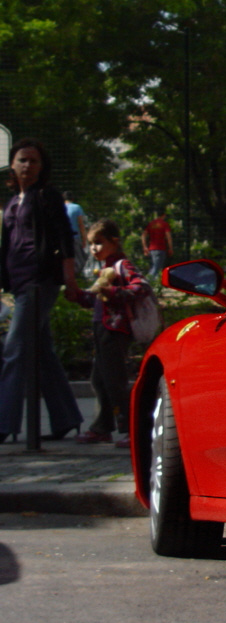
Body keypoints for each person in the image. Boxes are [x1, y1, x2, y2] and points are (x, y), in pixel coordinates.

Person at [0, 139, 84, 443]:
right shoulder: (12, 201)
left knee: (14, 350)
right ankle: (67, 419)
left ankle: (4, 424)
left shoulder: (47, 196)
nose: (28, 166)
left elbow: (65, 240)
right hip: (19, 283)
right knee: (42, 353)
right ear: (12, 164)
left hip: (40, 282)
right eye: (22, 160)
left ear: (42, 167)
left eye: (34, 161)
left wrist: (70, 281)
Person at [66, 220, 148, 446]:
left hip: (115, 329)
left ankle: (132, 428)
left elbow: (140, 287)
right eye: (91, 244)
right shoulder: (105, 268)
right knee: (99, 380)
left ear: (114, 241)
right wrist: (80, 297)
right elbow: (95, 298)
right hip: (102, 328)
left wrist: (112, 291)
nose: (94, 249)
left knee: (115, 381)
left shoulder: (123, 265)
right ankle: (102, 428)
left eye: (99, 243)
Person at [64, 191, 88, 276]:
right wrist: (84, 239)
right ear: (72, 199)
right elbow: (81, 225)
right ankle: (75, 277)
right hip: (75, 238)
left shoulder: (59, 207)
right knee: (80, 259)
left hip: (62, 239)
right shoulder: (77, 207)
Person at [143, 211, 173, 280]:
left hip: (152, 248)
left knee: (156, 266)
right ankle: (146, 281)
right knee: (156, 267)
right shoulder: (164, 224)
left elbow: (143, 235)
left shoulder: (151, 224)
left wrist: (145, 247)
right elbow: (168, 236)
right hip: (161, 248)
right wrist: (170, 248)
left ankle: (155, 282)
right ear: (164, 215)